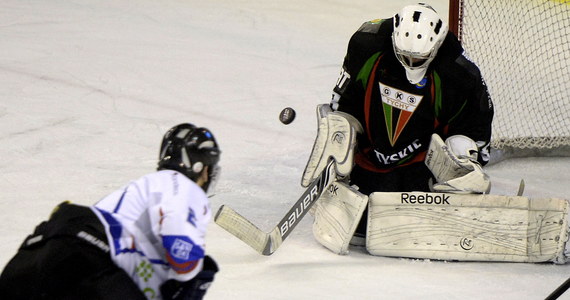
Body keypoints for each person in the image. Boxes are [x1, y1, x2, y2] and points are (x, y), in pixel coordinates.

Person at [303, 3, 494, 250]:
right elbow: (344, 102)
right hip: (370, 157)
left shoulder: (459, 75)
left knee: (460, 149)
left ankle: (450, 202)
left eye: (420, 58)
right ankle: (342, 184)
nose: (412, 63)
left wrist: (469, 166)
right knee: (338, 127)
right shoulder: (366, 45)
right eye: (406, 55)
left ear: (436, 47)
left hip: (421, 166)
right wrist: (339, 142)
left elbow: (476, 127)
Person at [0, 123, 221, 300]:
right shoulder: (185, 187)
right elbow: (183, 259)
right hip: (89, 266)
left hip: (36, 254)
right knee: (201, 271)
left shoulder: (137, 192)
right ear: (202, 168)